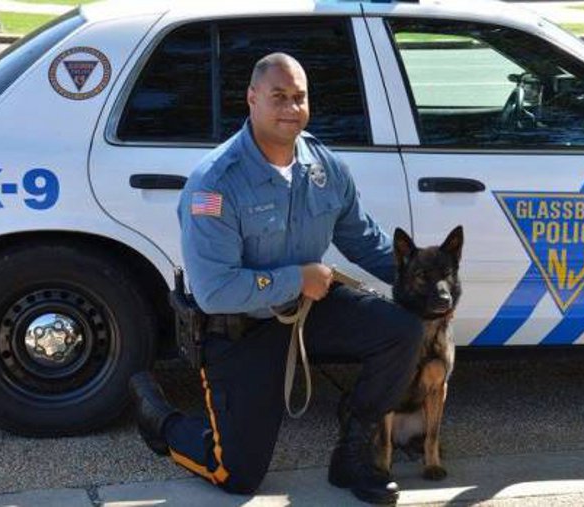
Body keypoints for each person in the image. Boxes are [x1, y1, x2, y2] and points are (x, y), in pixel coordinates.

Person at [128, 52, 423, 505]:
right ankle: (160, 420)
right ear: (252, 98)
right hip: (241, 328)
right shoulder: (216, 183)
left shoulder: (325, 169)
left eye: (299, 97)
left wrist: (422, 280)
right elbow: (214, 291)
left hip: (307, 310)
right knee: (237, 475)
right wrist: (297, 278)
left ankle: (353, 454)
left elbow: (363, 240)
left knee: (401, 330)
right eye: (278, 97)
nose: (291, 108)